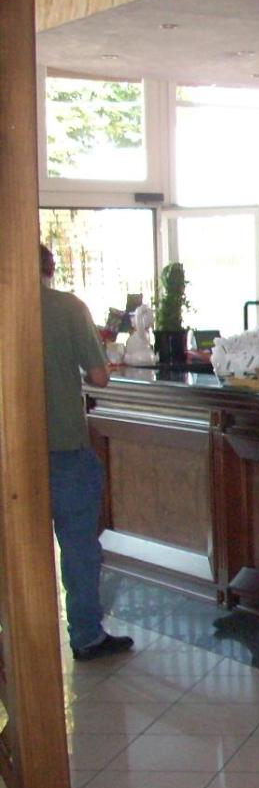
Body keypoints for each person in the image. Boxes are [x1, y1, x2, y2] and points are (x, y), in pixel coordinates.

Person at [40, 244, 133, 661]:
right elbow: (99, 376)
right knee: (78, 548)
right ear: (50, 268)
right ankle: (86, 636)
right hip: (64, 444)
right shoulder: (67, 308)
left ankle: (22, 647)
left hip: (14, 455)